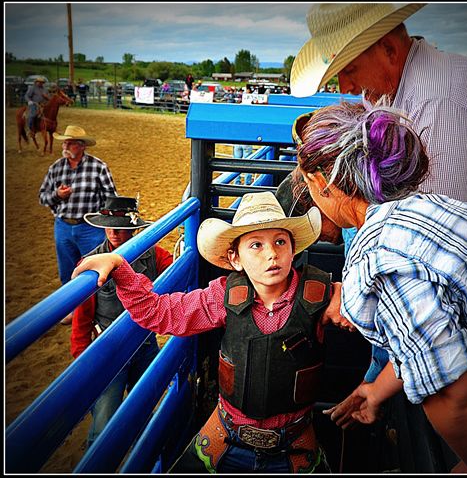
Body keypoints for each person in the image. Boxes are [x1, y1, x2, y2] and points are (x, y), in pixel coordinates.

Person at [292, 99, 467, 473]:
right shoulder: (422, 208)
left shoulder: (381, 258)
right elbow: (433, 339)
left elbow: (452, 392)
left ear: (321, 183)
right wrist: (375, 391)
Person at [71, 191, 356, 473]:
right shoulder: (223, 296)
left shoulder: (323, 295)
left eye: (280, 241)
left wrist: (348, 299)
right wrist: (120, 268)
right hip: (228, 436)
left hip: (294, 445)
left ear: (293, 250)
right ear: (235, 259)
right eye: (256, 245)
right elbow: (161, 313)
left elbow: (384, 319)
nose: (272, 253)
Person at [290, 3, 467, 228]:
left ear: (389, 50)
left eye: (350, 70)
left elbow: (436, 223)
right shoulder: (393, 89)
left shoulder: (439, 99)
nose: (345, 87)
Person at [70, 195, 173, 448]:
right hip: (110, 348)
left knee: (143, 406)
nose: (114, 233)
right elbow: (81, 318)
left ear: (134, 228)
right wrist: (82, 359)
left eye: (122, 228)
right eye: (109, 225)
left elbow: (177, 271)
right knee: (104, 423)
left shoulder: (154, 256)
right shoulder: (91, 264)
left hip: (144, 343)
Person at [39, 125, 117, 324]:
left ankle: (97, 310)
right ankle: (71, 309)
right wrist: (57, 195)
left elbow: (110, 198)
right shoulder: (56, 168)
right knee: (66, 269)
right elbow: (43, 197)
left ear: (81, 146)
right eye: (65, 141)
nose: (65, 145)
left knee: (95, 269)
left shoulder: (98, 167)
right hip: (63, 226)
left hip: (89, 226)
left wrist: (105, 221)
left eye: (70, 142)